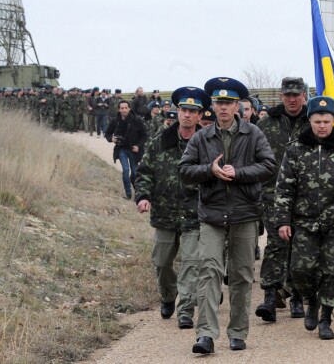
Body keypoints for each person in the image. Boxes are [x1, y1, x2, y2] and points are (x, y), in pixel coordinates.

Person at [178, 77, 276, 354]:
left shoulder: (253, 134)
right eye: (219, 102)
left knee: (242, 275)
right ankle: (206, 334)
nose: (223, 108)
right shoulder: (201, 137)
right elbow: (184, 170)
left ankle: (237, 332)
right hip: (211, 215)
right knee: (209, 272)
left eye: (229, 103)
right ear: (213, 105)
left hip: (245, 214)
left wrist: (239, 173)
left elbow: (269, 165)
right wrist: (210, 170)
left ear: (238, 107)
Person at [275, 96, 334, 340]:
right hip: (304, 222)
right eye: (318, 121)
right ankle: (312, 300)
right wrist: (283, 220)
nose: (323, 126)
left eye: (327, 121)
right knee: (300, 269)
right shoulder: (295, 149)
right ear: (310, 121)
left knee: (332, 271)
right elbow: (284, 188)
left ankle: (326, 317)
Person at [135, 87, 211, 329]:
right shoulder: (160, 142)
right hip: (165, 213)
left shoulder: (208, 144)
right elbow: (144, 173)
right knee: (161, 262)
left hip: (195, 213)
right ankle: (168, 295)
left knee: (192, 262)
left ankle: (186, 309)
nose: (187, 115)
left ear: (200, 115)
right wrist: (143, 196)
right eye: (184, 110)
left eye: (193, 111)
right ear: (177, 112)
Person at [255, 77, 310, 323]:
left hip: (307, 197)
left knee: (299, 246)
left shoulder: (315, 122)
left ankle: (296, 294)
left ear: (304, 96)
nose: (292, 98)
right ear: (281, 96)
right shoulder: (266, 125)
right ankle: (270, 294)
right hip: (273, 195)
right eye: (287, 94)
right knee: (277, 243)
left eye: (296, 94)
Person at [105, 100, 147, 199]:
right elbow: (107, 133)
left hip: (133, 150)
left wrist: (138, 146)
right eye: (122, 108)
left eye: (126, 108)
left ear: (129, 108)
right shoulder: (115, 121)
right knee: (125, 170)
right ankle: (128, 194)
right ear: (119, 109)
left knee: (134, 173)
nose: (124, 110)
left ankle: (138, 192)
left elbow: (144, 135)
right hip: (121, 149)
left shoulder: (137, 120)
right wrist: (111, 139)